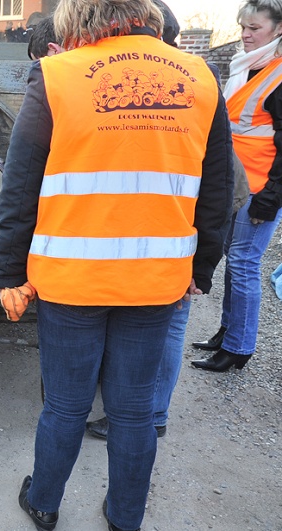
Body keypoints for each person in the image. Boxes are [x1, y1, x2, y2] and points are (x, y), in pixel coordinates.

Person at [0, 1, 233, 530]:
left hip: (71, 280)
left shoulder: (55, 76)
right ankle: (125, 517)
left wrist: (7, 271)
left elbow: (20, 187)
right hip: (156, 279)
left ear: (79, 19)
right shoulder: (201, 78)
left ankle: (45, 503)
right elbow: (218, 189)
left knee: (65, 406)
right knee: (133, 410)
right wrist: (203, 267)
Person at [85, 0, 248, 440]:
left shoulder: (182, 84)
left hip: (183, 237)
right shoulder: (192, 81)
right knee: (167, 324)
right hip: (183, 235)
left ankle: (151, 414)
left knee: (172, 325)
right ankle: (146, 412)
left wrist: (202, 265)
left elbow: (214, 187)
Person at [192, 0, 282, 372]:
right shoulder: (246, 69)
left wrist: (269, 201)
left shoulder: (277, 78)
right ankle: (228, 333)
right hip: (240, 187)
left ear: (277, 30)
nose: (245, 34)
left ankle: (238, 347)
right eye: (243, 27)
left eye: (254, 28)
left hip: (259, 190)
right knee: (236, 264)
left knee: (243, 265)